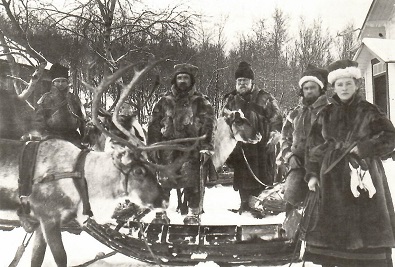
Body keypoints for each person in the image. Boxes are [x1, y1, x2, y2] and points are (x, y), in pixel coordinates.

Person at [303, 59, 395, 267]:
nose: (344, 88)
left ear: (356, 84)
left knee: (366, 233)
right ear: (333, 87)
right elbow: (313, 146)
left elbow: (390, 137)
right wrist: (312, 175)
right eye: (339, 84)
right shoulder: (325, 114)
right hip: (331, 179)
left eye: (348, 83)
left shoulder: (370, 111)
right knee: (332, 237)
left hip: (365, 177)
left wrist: (365, 148)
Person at [147, 63, 215, 225]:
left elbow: (209, 126)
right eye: (179, 77)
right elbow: (154, 125)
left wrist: (206, 147)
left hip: (191, 149)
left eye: (185, 77)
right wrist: (153, 146)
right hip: (167, 149)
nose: (182, 81)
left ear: (191, 80)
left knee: (193, 182)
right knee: (163, 182)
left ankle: (192, 215)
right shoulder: (163, 101)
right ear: (174, 80)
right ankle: (160, 214)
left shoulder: (201, 101)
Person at [224, 61, 283, 214]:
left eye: (245, 81)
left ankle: (260, 206)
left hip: (261, 146)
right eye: (239, 81)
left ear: (252, 82)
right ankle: (244, 204)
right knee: (241, 176)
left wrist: (274, 135)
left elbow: (277, 118)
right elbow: (224, 120)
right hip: (240, 147)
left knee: (261, 174)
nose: (242, 83)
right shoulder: (231, 99)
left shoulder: (265, 98)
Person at [278, 64, 329, 216]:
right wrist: (290, 156)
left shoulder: (329, 111)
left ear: (320, 89)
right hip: (298, 164)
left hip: (323, 166)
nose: (309, 91)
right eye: (306, 88)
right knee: (291, 198)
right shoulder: (295, 114)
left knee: (323, 206)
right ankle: (291, 235)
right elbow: (284, 138)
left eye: (312, 87)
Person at [32, 63, 85, 147]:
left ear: (67, 83)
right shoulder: (45, 98)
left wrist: (84, 136)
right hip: (52, 137)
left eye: (63, 81)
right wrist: (41, 134)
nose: (60, 84)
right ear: (53, 83)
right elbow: (38, 120)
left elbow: (82, 120)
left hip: (72, 137)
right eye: (58, 81)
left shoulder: (74, 99)